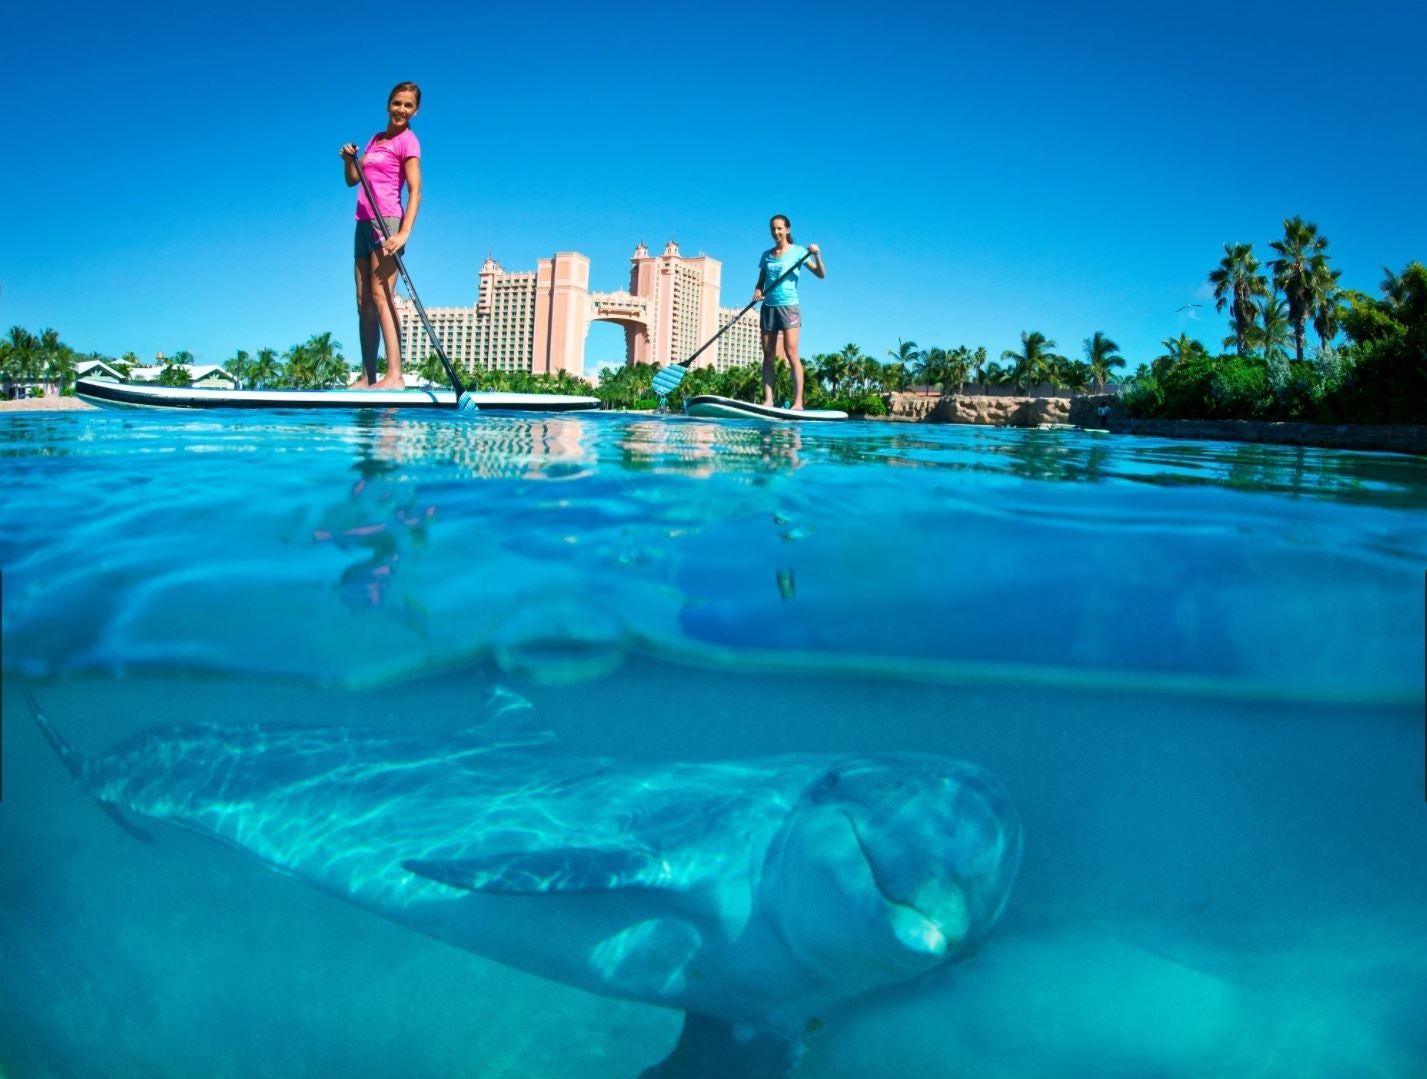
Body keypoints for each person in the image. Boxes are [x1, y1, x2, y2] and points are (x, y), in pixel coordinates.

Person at [340, 82, 423, 390]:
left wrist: (404, 233)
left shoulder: (408, 141)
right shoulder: (375, 140)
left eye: (408, 105)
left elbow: (415, 191)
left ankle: (395, 375)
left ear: (415, 111)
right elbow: (353, 180)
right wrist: (349, 159)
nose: (401, 109)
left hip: (387, 221)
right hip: (362, 221)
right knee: (363, 301)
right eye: (397, 103)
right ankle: (367, 377)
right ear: (388, 104)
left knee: (381, 295)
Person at [753, 215, 825, 410]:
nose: (776, 232)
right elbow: (760, 282)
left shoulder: (799, 252)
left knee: (791, 352)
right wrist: (758, 291)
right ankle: (768, 400)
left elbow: (821, 274)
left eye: (779, 228)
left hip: (789, 307)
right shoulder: (766, 255)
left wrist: (817, 255)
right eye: (773, 229)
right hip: (768, 307)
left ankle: (798, 402)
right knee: (768, 354)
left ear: (787, 229)